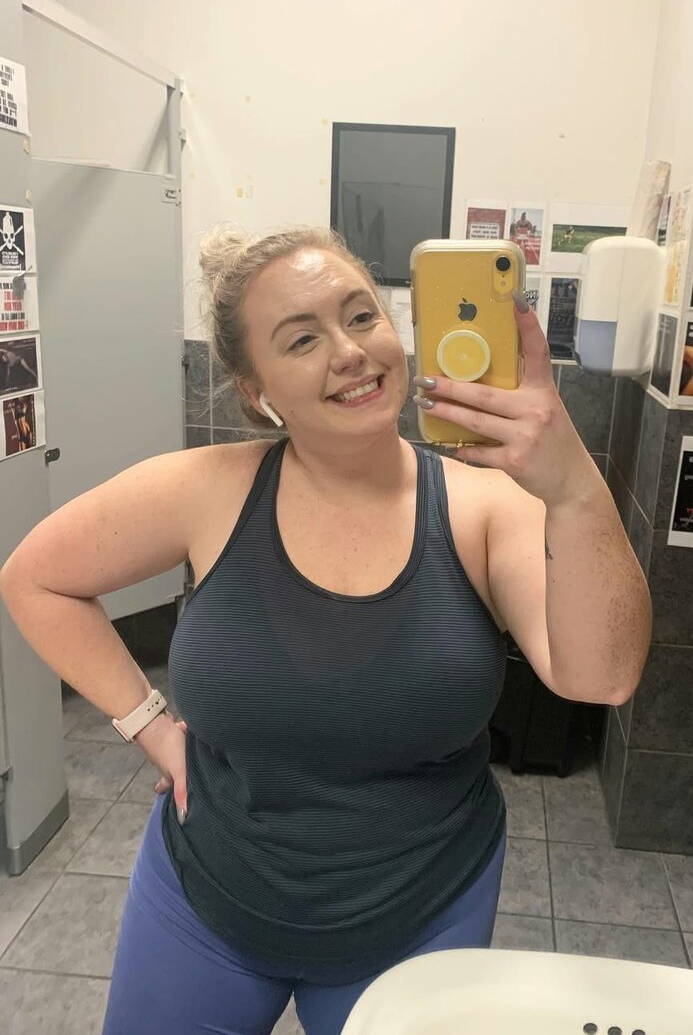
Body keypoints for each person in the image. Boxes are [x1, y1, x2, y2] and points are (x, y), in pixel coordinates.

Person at [0, 225, 651, 1035]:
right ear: (257, 391)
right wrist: (150, 725)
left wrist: (574, 488)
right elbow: (35, 579)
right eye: (302, 339)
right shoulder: (204, 492)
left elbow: (602, 676)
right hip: (207, 899)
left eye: (361, 316)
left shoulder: (485, 507)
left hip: (419, 913)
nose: (350, 352)